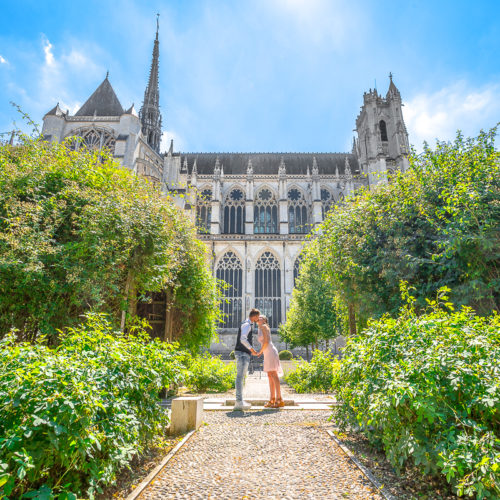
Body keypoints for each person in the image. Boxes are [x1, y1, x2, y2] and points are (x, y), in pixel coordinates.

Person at [253, 315, 284, 408]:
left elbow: (266, 341)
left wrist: (260, 352)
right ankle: (272, 399)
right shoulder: (260, 327)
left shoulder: (263, 326)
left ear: (265, 320)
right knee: (270, 375)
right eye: (258, 317)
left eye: (261, 317)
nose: (259, 318)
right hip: (267, 352)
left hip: (269, 351)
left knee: (273, 374)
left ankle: (279, 399)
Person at [233, 308, 260, 411]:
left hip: (243, 353)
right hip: (242, 353)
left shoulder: (247, 324)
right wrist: (252, 350)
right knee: (240, 377)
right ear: (254, 316)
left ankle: (240, 401)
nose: (258, 319)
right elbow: (243, 339)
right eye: (258, 317)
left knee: (241, 377)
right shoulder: (247, 324)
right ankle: (238, 402)